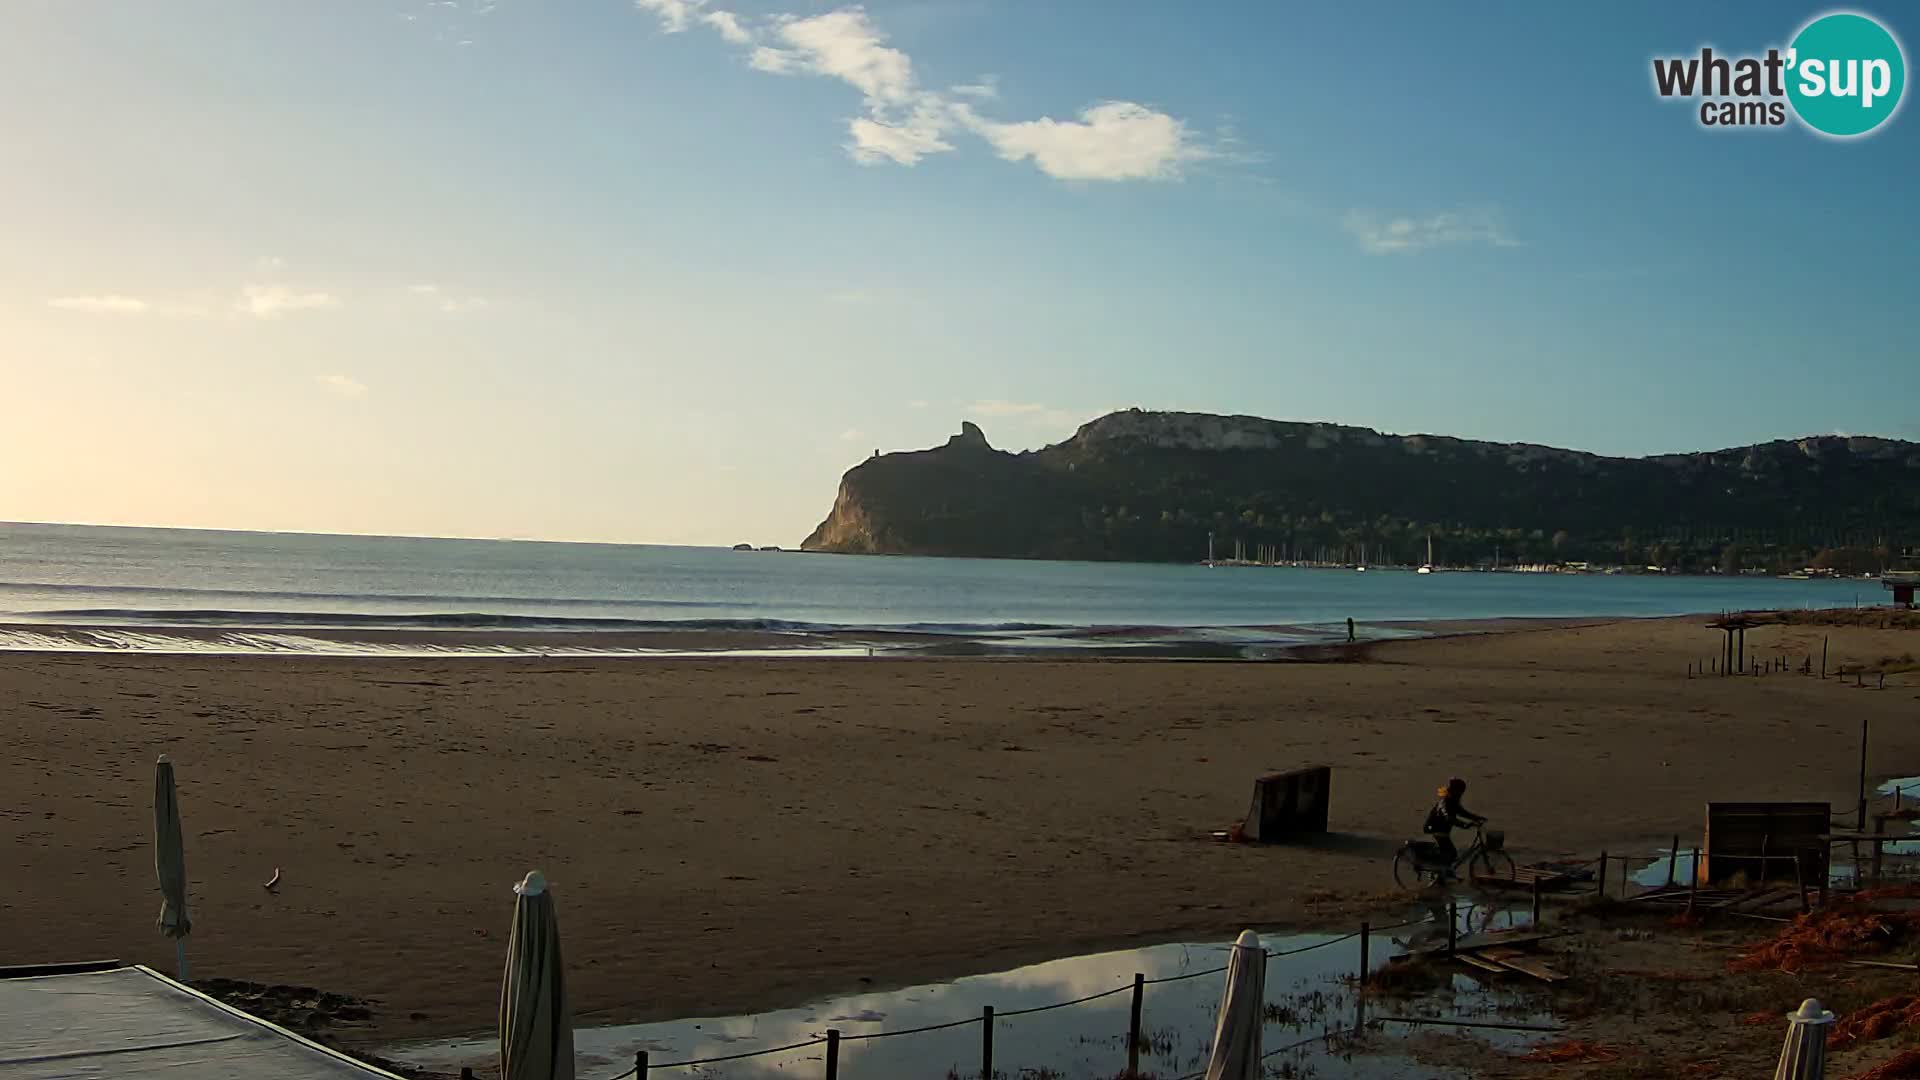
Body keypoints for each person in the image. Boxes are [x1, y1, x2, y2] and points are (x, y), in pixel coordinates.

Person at [1422, 777, 1486, 876]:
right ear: (1456, 791)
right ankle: (1439, 873)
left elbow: (1462, 813)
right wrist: (1464, 824)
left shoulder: (1453, 801)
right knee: (1452, 853)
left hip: (1443, 830)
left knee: (1447, 853)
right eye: (1460, 791)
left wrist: (1476, 818)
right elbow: (1449, 818)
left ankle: (1442, 873)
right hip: (1436, 829)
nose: (1461, 794)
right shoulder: (1445, 802)